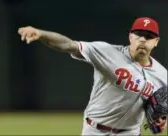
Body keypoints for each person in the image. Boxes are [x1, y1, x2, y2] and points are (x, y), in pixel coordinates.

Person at [18, 17, 167, 136]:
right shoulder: (107, 52)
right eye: (139, 34)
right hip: (95, 130)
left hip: (130, 133)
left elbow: (161, 105)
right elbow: (68, 45)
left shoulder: (162, 75)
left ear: (156, 42)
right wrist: (41, 34)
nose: (142, 39)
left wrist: (163, 119)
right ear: (130, 37)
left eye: (148, 36)